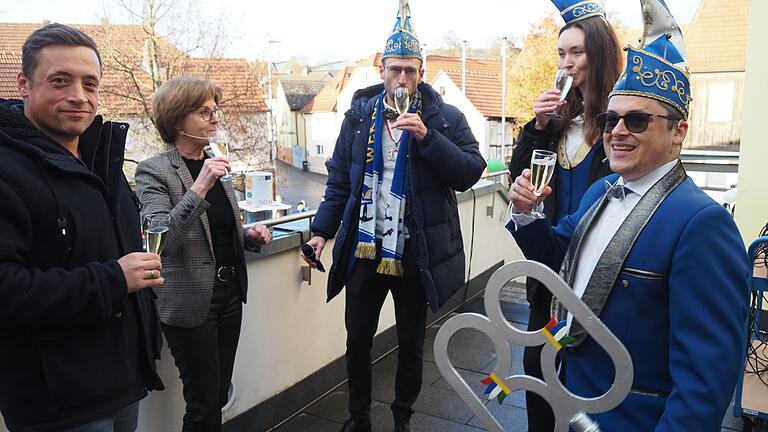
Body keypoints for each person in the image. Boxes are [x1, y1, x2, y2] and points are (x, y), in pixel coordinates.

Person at [506, 2, 749, 429]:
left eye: (636, 120)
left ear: (679, 132)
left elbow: (705, 383)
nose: (618, 131)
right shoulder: (601, 191)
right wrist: (527, 214)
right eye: (611, 118)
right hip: (569, 403)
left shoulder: (703, 225)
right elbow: (557, 257)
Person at [301, 3, 485, 431]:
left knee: (409, 345)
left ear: (421, 73)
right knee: (358, 341)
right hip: (365, 247)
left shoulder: (445, 117)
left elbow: (470, 172)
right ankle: (358, 418)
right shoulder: (359, 117)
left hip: (414, 251)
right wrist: (319, 234)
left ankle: (402, 419)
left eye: (411, 71)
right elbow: (339, 183)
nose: (403, 78)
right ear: (381, 69)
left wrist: (427, 137)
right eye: (395, 69)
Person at [0, 24, 165, 432]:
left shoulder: (102, 160)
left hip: (124, 381)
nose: (79, 95)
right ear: (24, 84)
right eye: (60, 80)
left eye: (90, 83)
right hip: (59, 405)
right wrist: (113, 279)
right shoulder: (7, 170)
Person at [134, 75, 271, 432]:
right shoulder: (153, 170)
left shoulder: (215, 162)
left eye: (215, 110)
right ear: (178, 120)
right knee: (203, 403)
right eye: (204, 112)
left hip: (228, 296)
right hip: (189, 302)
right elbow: (160, 240)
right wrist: (200, 184)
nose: (215, 118)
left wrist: (248, 236)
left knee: (218, 394)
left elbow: (217, 232)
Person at [507, 2, 622, 428]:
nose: (566, 62)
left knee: (586, 387)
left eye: (576, 52)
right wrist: (536, 127)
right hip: (547, 272)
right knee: (539, 375)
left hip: (598, 273)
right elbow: (518, 178)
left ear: (600, 53)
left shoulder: (620, 124)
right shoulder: (556, 122)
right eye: (561, 53)